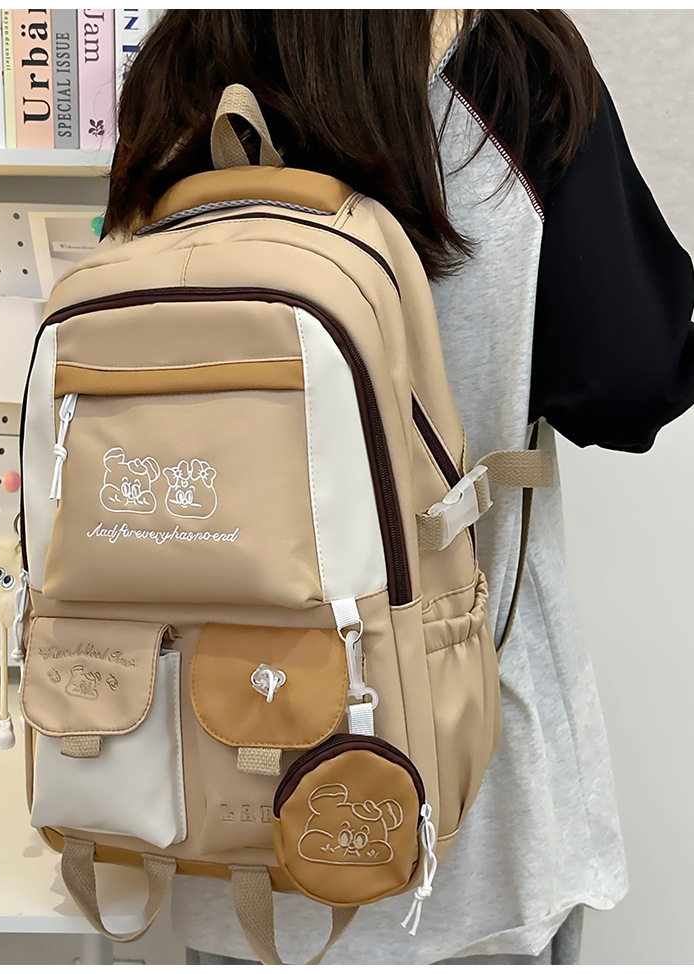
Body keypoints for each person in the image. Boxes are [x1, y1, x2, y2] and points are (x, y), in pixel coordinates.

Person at [102, 10, 694, 965]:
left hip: (224, 795)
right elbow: (632, 384)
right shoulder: (510, 70)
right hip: (477, 812)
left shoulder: (180, 69)